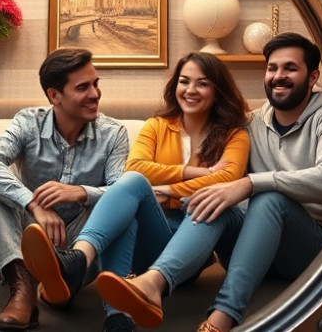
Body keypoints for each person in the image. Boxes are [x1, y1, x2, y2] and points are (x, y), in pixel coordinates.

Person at [94, 32, 322, 332]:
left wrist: (251, 183)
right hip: (253, 246)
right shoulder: (251, 122)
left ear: (312, 78)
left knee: (269, 198)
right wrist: (191, 184)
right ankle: (146, 284)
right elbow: (210, 166)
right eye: (272, 68)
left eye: (289, 68)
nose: (278, 76)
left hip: (311, 247)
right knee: (214, 201)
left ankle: (222, 318)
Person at [21, 52, 251, 332]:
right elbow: (138, 167)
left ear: (217, 90)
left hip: (195, 243)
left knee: (214, 201)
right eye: (184, 81)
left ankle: (92, 274)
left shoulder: (234, 135)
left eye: (202, 84)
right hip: (157, 236)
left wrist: (166, 189)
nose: (190, 91)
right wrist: (195, 173)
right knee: (131, 183)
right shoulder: (156, 126)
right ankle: (91, 278)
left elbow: (227, 180)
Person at [0, 47, 131, 331]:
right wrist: (34, 203)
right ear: (54, 96)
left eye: (96, 84)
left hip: (82, 248)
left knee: (115, 198)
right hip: (27, 242)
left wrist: (81, 191)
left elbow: (124, 192)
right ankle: (23, 289)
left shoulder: (113, 134)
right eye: (83, 87)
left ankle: (63, 281)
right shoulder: (28, 123)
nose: (94, 94)